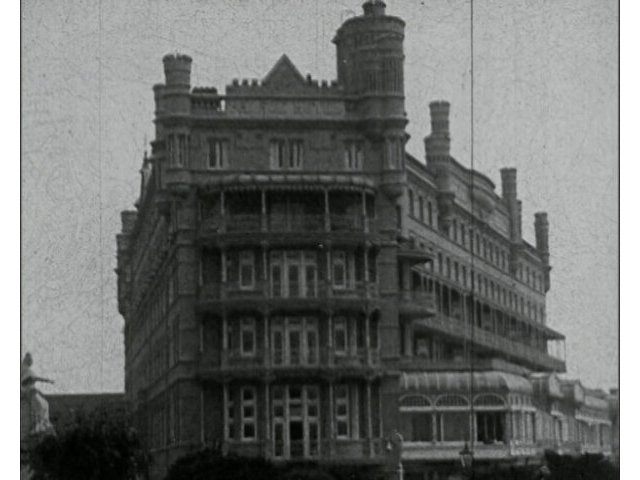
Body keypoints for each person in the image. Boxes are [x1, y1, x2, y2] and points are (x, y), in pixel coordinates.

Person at [20, 353, 54, 434]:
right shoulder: (25, 369)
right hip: (29, 391)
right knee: (40, 406)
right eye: (30, 361)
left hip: (30, 390)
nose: (31, 362)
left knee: (44, 404)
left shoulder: (26, 369)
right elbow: (33, 378)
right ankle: (38, 425)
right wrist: (47, 380)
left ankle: (42, 423)